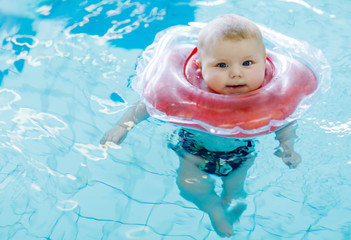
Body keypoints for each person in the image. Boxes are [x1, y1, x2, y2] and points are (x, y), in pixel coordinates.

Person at [100, 14, 301, 237]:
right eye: (222, 65)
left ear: (264, 60)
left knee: (236, 193)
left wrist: (287, 146)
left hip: (241, 153)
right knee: (187, 184)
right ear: (200, 65)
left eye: (247, 63)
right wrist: (123, 125)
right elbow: (149, 104)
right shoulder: (186, 93)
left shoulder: (269, 97)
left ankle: (230, 210)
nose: (236, 73)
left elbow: (284, 120)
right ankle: (213, 207)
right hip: (193, 150)